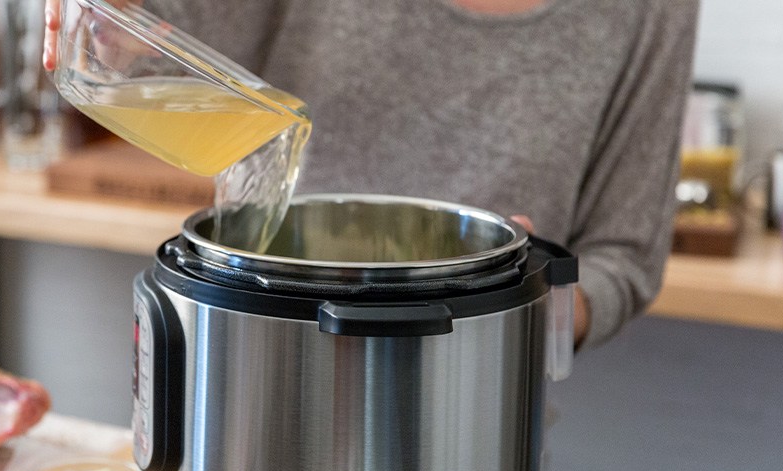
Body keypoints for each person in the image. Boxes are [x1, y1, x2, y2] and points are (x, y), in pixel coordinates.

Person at [43, 0, 700, 348]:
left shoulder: (647, 10)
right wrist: (110, 25)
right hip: (242, 408)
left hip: (474, 440)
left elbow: (624, 260)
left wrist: (506, 308)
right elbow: (150, 39)